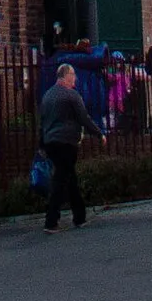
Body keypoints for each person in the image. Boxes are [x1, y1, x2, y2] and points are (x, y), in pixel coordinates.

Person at [39, 62, 104, 231]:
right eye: (73, 75)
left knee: (70, 178)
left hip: (50, 142)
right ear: (66, 76)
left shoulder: (47, 96)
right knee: (61, 181)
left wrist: (42, 144)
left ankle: (79, 217)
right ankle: (51, 221)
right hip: (66, 142)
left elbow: (42, 122)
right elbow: (84, 118)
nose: (75, 78)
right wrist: (99, 133)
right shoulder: (71, 95)